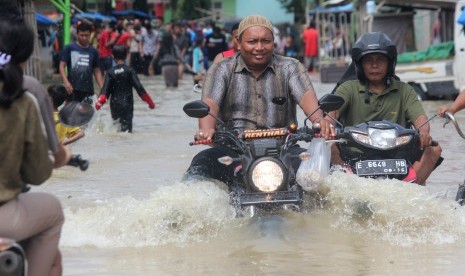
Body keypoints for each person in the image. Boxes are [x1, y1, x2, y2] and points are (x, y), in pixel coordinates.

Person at [185, 15, 333, 185]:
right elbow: (210, 104)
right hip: (233, 152)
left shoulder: (291, 67)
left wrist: (319, 121)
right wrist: (206, 130)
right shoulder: (221, 68)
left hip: (284, 150)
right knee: (201, 163)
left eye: (266, 41)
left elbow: (307, 97)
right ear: (238, 43)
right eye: (252, 41)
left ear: (274, 42)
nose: (259, 47)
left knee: (321, 170)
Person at [327, 32, 442, 185]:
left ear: (390, 63)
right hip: (355, 154)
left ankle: (410, 186)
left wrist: (424, 132)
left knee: (434, 150)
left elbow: (420, 119)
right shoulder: (348, 88)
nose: (375, 65)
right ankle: (345, 183)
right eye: (369, 60)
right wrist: (327, 125)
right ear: (360, 64)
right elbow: (332, 113)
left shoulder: (405, 90)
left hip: (397, 154)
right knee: (328, 145)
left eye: (380, 60)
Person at [0, 1, 64, 275]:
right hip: (7, 213)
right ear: (23, 56)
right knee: (53, 213)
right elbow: (38, 172)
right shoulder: (24, 96)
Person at [95, 45, 155, 133]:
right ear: (126, 55)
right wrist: (150, 103)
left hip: (114, 105)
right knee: (126, 131)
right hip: (127, 104)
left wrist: (98, 104)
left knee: (116, 129)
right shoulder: (130, 70)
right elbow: (139, 88)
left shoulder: (110, 72)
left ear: (113, 56)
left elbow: (105, 93)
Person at [59, 21, 104, 103]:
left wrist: (102, 88)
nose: (84, 38)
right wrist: (66, 82)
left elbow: (97, 71)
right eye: (81, 35)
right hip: (72, 89)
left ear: (90, 34)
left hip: (88, 90)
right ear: (77, 34)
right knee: (72, 114)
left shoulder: (94, 51)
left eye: (86, 35)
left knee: (88, 114)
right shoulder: (69, 48)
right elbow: (62, 66)